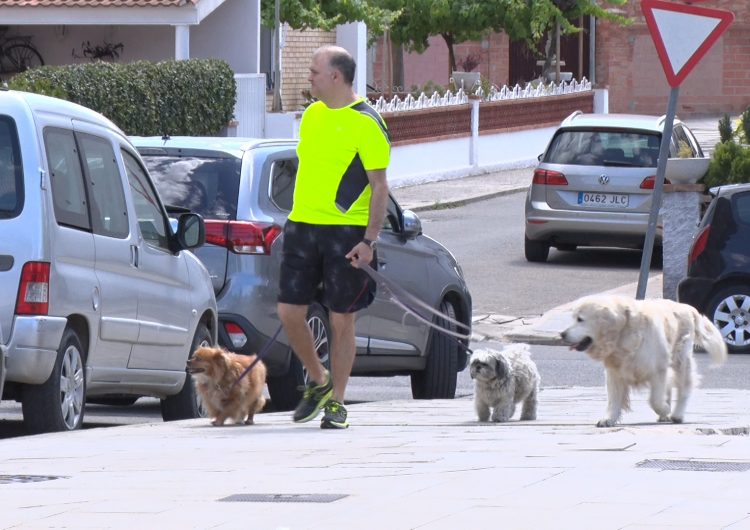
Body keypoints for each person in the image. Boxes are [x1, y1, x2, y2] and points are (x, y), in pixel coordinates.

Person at [276, 45, 391, 429]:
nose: (308, 77)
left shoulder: (367, 122)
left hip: (346, 233)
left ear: (336, 77)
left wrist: (369, 241)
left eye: (314, 71)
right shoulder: (311, 115)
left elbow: (379, 187)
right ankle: (319, 379)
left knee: (342, 320)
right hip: (302, 225)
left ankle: (338, 403)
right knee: (289, 312)